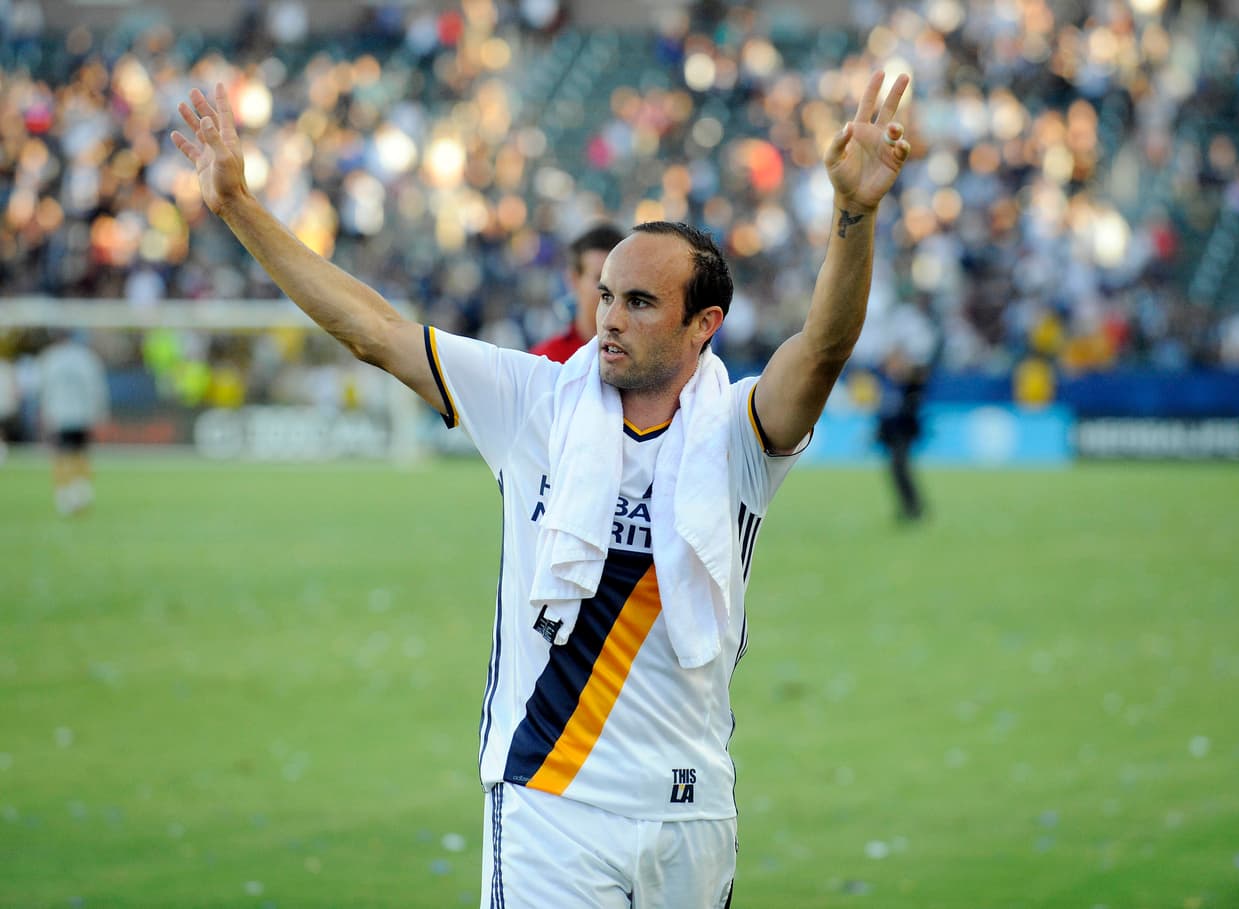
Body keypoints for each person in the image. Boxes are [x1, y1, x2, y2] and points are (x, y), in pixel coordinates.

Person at [171, 71, 911, 908]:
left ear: (703, 325)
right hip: (549, 801)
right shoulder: (534, 401)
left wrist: (855, 214)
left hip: (690, 812)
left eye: (637, 301)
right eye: (604, 297)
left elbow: (820, 350)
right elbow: (375, 331)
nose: (607, 318)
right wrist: (237, 205)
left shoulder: (739, 432)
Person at [37, 331, 110, 515]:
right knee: (80, 454)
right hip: (81, 415)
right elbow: (96, 388)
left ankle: (64, 495)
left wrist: (44, 413)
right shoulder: (86, 358)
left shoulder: (50, 358)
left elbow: (43, 389)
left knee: (62, 456)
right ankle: (81, 493)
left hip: (59, 415)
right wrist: (99, 413)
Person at [531, 223, 626, 363]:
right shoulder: (546, 361)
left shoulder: (643, 359)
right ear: (574, 280)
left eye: (619, 278)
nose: (611, 291)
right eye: (600, 278)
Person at [875, 347, 928, 522]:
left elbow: (920, 379)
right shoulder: (888, 383)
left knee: (900, 470)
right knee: (897, 471)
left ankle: (914, 507)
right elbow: (885, 413)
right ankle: (909, 507)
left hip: (903, 434)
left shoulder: (909, 384)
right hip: (891, 435)